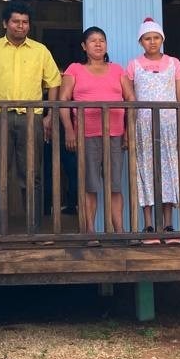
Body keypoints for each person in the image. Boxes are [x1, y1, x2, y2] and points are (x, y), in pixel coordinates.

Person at [0, 0, 61, 234]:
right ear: (5, 23)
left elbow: (53, 82)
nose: (20, 26)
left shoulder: (40, 51)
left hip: (31, 117)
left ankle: (33, 231)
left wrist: (48, 114)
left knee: (32, 175)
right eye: (15, 21)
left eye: (24, 22)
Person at [59, 27, 135, 236]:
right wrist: (69, 130)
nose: (98, 44)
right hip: (86, 134)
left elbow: (130, 99)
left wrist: (128, 131)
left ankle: (118, 229)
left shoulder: (118, 69)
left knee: (115, 185)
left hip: (116, 133)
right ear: (84, 46)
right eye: (93, 41)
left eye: (102, 40)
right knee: (89, 184)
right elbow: (63, 100)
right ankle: (90, 230)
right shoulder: (74, 69)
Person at [125, 18, 180, 245]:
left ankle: (168, 224)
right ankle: (149, 225)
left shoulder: (174, 63)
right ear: (141, 42)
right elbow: (130, 98)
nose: (152, 42)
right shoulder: (133, 65)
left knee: (170, 170)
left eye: (156, 38)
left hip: (170, 126)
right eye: (147, 38)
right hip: (143, 126)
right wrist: (129, 129)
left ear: (162, 39)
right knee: (145, 171)